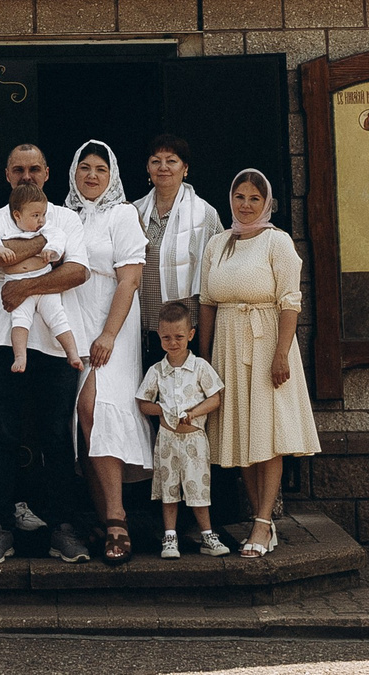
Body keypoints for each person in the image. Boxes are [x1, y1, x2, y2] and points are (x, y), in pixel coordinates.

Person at [0, 142, 92, 566]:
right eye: (19, 170)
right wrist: (41, 246)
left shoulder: (67, 218)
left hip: (54, 345)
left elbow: (77, 271)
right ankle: (0, 527)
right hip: (2, 343)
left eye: (34, 169)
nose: (27, 176)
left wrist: (21, 283)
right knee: (0, 438)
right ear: (6, 174)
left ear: (47, 172)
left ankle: (63, 527)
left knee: (57, 439)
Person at [198, 168, 320, 558]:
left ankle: (264, 523)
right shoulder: (218, 244)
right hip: (228, 348)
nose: (246, 205)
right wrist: (202, 359)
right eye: (239, 197)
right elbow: (206, 302)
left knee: (267, 436)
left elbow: (290, 300)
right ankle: (258, 516)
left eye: (254, 198)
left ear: (266, 202)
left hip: (266, 343)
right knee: (242, 436)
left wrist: (281, 353)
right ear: (230, 200)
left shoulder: (277, 242)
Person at [64, 139, 152, 566]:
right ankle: (103, 519)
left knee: (99, 407)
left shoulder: (123, 215)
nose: (92, 175)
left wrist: (109, 334)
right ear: (74, 173)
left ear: (112, 174)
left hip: (110, 323)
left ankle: (118, 518)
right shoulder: (65, 216)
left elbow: (129, 279)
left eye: (101, 168)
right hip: (73, 325)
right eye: (85, 167)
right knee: (85, 416)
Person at [136, 300, 227, 560]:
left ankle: (207, 535)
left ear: (190, 335)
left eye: (178, 337)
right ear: (159, 337)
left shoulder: (200, 367)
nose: (173, 343)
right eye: (166, 338)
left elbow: (215, 398)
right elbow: (143, 403)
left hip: (194, 440)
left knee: (198, 488)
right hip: (167, 440)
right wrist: (162, 412)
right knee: (169, 489)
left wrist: (194, 413)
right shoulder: (157, 371)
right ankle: (170, 537)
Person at [0, 186, 81, 373]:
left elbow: (58, 238)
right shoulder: (4, 227)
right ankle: (20, 356)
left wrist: (52, 250)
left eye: (43, 214)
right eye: (35, 215)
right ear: (17, 215)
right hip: (17, 286)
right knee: (20, 321)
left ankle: (72, 353)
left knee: (58, 318)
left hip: (43, 284)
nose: (41, 220)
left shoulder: (47, 229)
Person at [137, 134, 222, 342]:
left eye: (171, 161)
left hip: (187, 333)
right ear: (148, 168)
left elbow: (218, 272)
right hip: (142, 330)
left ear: (185, 169)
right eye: (156, 161)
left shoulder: (205, 215)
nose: (163, 167)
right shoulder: (133, 212)